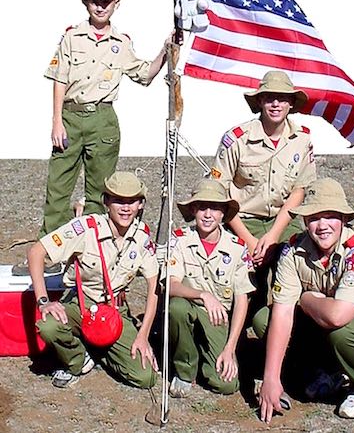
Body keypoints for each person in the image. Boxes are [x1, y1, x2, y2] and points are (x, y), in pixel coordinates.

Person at [258, 178, 354, 423]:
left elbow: (338, 316)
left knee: (344, 333)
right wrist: (271, 378)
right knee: (263, 320)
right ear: (304, 221)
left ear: (344, 219)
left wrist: (306, 299)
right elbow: (282, 312)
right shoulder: (294, 251)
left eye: (330, 216)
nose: (322, 225)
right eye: (313, 218)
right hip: (332, 306)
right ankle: (328, 370)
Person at [40, 0, 170, 238]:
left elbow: (144, 74)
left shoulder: (121, 44)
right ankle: (50, 249)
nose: (100, 7)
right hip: (71, 117)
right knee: (58, 186)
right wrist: (56, 121)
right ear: (86, 3)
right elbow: (59, 79)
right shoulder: (72, 37)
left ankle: (91, 250)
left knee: (99, 191)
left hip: (103, 119)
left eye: (106, 2)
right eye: (95, 2)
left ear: (116, 4)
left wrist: (165, 52)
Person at [27, 171, 160, 389]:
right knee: (48, 325)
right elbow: (36, 252)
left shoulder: (142, 238)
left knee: (145, 377)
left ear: (141, 204)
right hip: (80, 304)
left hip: (114, 310)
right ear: (106, 201)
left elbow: (154, 286)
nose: (125, 208)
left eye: (131, 201)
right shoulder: (86, 228)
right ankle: (77, 359)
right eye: (118, 200)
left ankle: (99, 349)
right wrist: (44, 301)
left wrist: (143, 335)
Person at [211, 70, 316, 314]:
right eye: (269, 98)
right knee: (241, 281)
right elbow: (220, 193)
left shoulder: (302, 139)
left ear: (291, 103)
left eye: (282, 98)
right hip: (241, 220)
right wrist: (249, 240)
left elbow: (299, 191)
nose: (276, 104)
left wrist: (273, 236)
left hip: (283, 221)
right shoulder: (237, 139)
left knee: (295, 265)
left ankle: (282, 326)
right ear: (259, 101)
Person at [165, 178, 255, 397]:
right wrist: (203, 295)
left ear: (223, 213)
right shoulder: (179, 240)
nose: (207, 214)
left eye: (214, 208)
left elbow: (242, 299)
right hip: (189, 309)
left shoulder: (237, 249)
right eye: (202, 207)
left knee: (225, 385)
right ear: (193, 210)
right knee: (177, 308)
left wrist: (230, 347)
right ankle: (185, 369)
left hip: (218, 321)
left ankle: (207, 355)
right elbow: (170, 284)